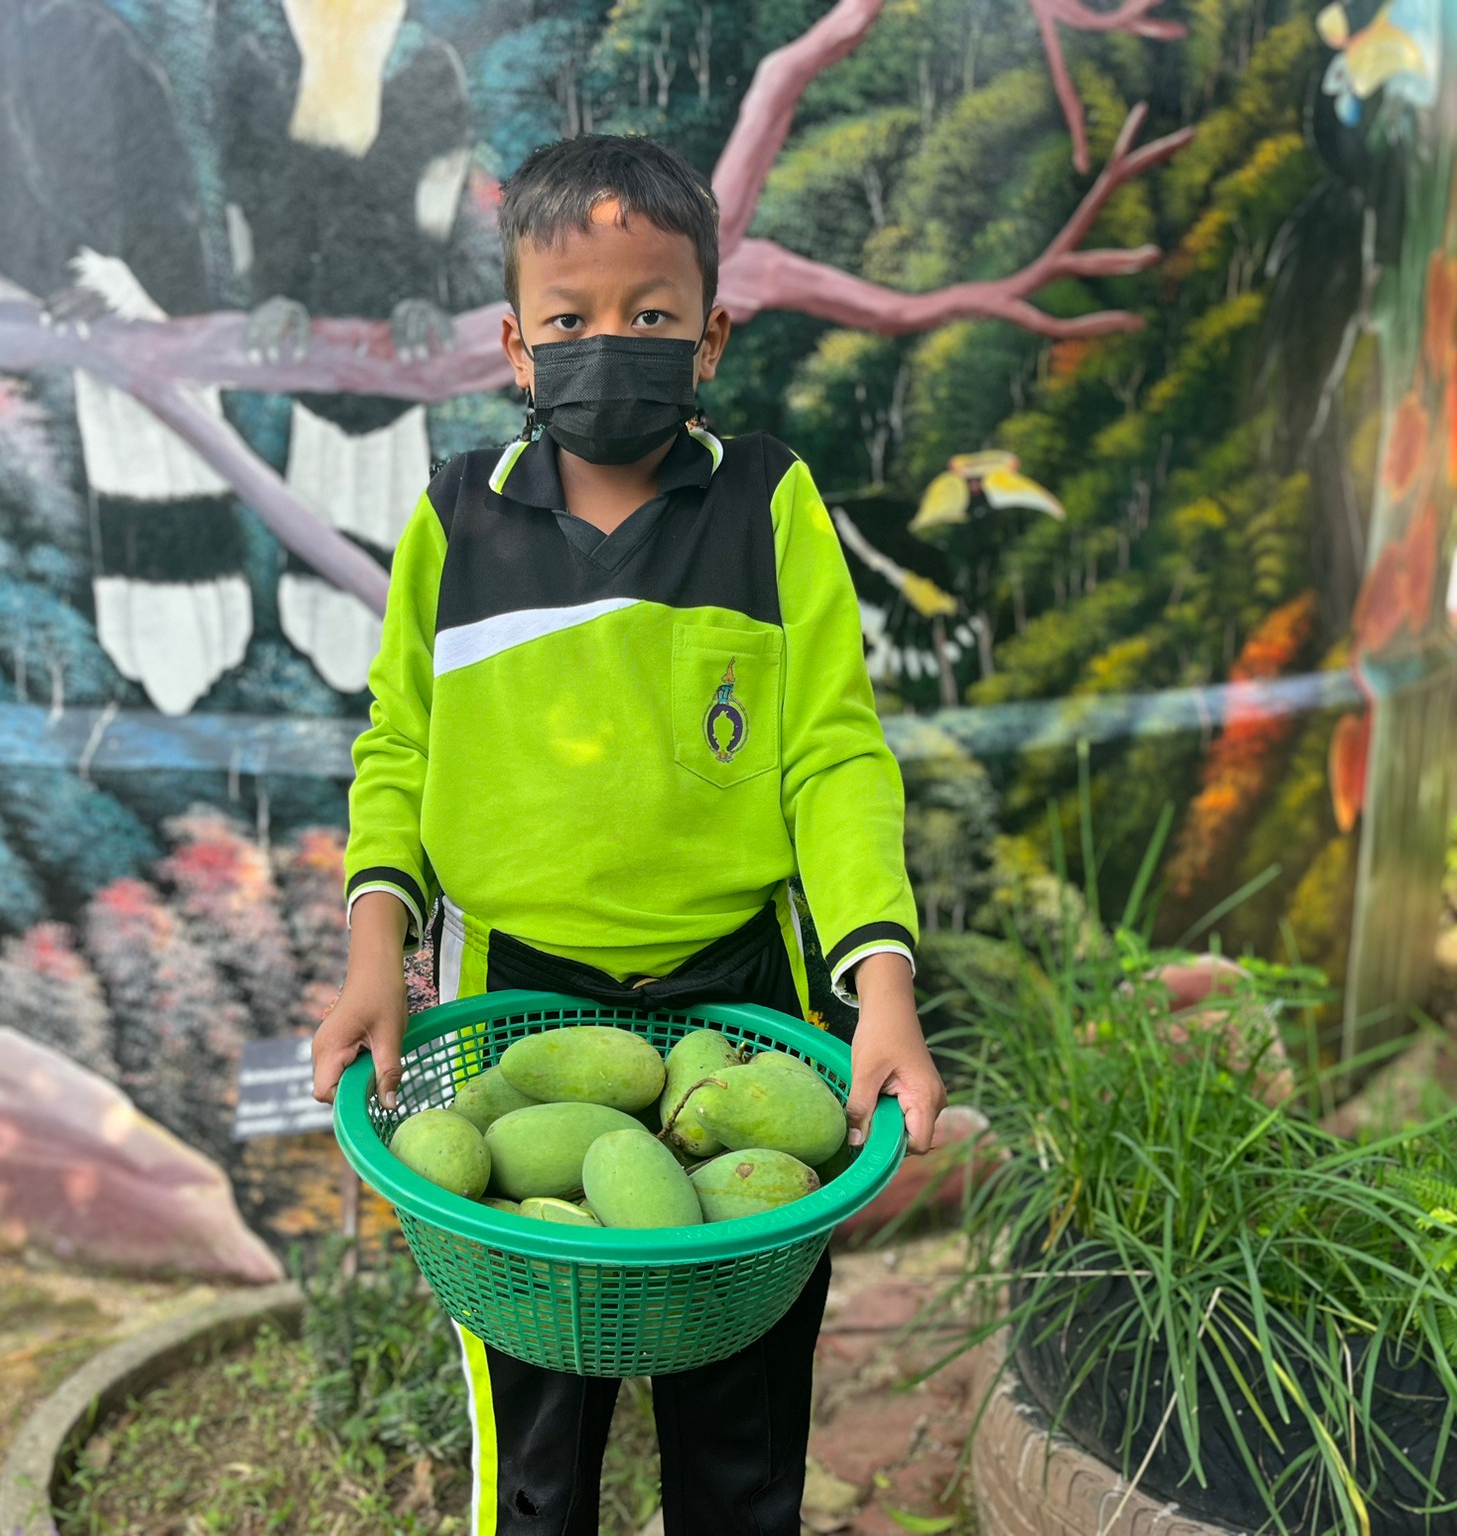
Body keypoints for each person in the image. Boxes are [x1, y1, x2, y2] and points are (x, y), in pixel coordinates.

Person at [310, 133, 946, 1536]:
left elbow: (835, 756)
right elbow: (399, 751)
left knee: (742, 1410)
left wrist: (884, 988)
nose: (609, 343)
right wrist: (375, 958)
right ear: (514, 345)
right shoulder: (456, 521)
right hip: (513, 1003)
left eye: (652, 314)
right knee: (537, 1431)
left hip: (746, 1001)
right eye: (569, 320)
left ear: (710, 336)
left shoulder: (768, 505)